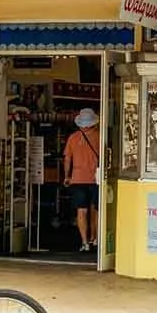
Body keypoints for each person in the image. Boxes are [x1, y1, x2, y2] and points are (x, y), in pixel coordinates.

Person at [63, 108, 101, 254]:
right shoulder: (99, 136)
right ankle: (95, 238)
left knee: (81, 210)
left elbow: (67, 159)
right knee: (95, 209)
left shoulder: (72, 138)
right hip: (95, 178)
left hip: (77, 179)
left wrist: (67, 176)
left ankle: (84, 242)